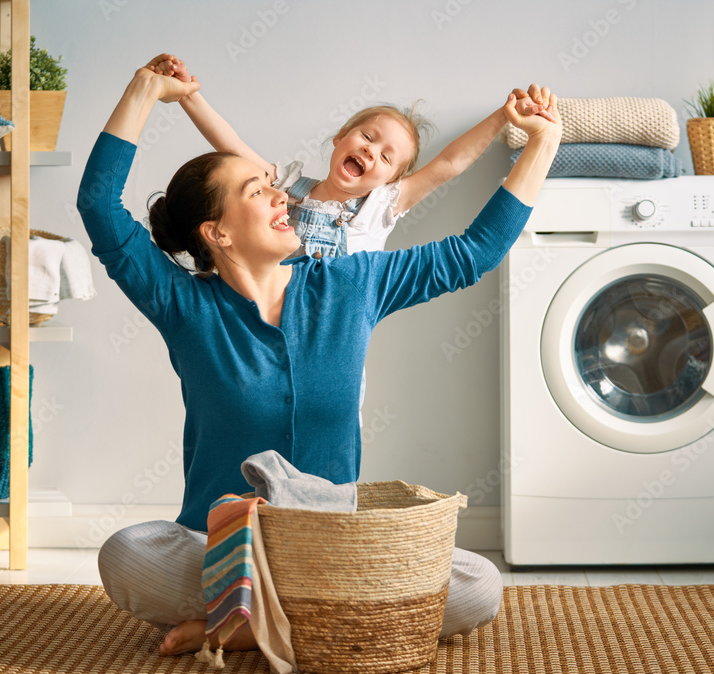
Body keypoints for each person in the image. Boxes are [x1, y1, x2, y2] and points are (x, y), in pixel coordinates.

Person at [79, 55, 561, 658]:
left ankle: (254, 624)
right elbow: (99, 206)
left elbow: (473, 253)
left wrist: (542, 143)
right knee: (127, 554)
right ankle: (317, 623)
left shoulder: (351, 284)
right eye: (257, 191)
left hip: (336, 552)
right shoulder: (181, 303)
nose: (281, 196)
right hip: (225, 548)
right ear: (217, 232)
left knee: (478, 586)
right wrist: (145, 90)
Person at [148, 54, 544, 260]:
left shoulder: (382, 206)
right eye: (368, 137)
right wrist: (189, 95)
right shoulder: (286, 189)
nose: (372, 151)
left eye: (388, 158)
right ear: (340, 138)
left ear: (390, 182)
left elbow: (447, 165)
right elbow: (231, 146)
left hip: (337, 339)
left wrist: (501, 118)